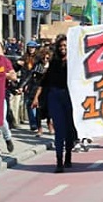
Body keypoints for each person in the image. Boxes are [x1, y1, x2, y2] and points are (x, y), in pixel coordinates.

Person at [33, 35, 77, 173]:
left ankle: (68, 155)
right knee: (59, 130)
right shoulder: (54, 63)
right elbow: (44, 81)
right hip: (55, 97)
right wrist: (36, 97)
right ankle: (59, 161)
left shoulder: (75, 62)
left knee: (69, 129)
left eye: (65, 46)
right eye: (60, 46)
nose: (63, 48)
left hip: (70, 98)